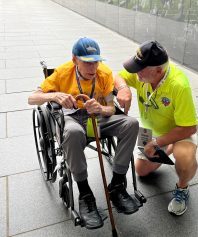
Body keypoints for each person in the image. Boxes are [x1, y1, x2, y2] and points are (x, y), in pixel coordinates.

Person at [28, 37, 139, 229]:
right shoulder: (63, 73)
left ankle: (117, 184)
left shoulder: (103, 74)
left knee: (131, 124)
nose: (93, 67)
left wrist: (101, 109)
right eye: (87, 62)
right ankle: (85, 193)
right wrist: (54, 95)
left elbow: (111, 108)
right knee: (72, 132)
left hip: (98, 117)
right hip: (72, 118)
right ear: (74, 59)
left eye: (96, 61)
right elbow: (32, 98)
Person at [114, 40, 198, 216]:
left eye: (141, 68)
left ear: (159, 71)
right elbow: (118, 76)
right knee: (141, 170)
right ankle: (167, 148)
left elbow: (189, 127)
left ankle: (183, 188)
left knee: (184, 158)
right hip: (151, 130)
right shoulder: (142, 75)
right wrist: (124, 89)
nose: (135, 72)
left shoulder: (179, 85)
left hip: (179, 129)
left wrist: (157, 142)